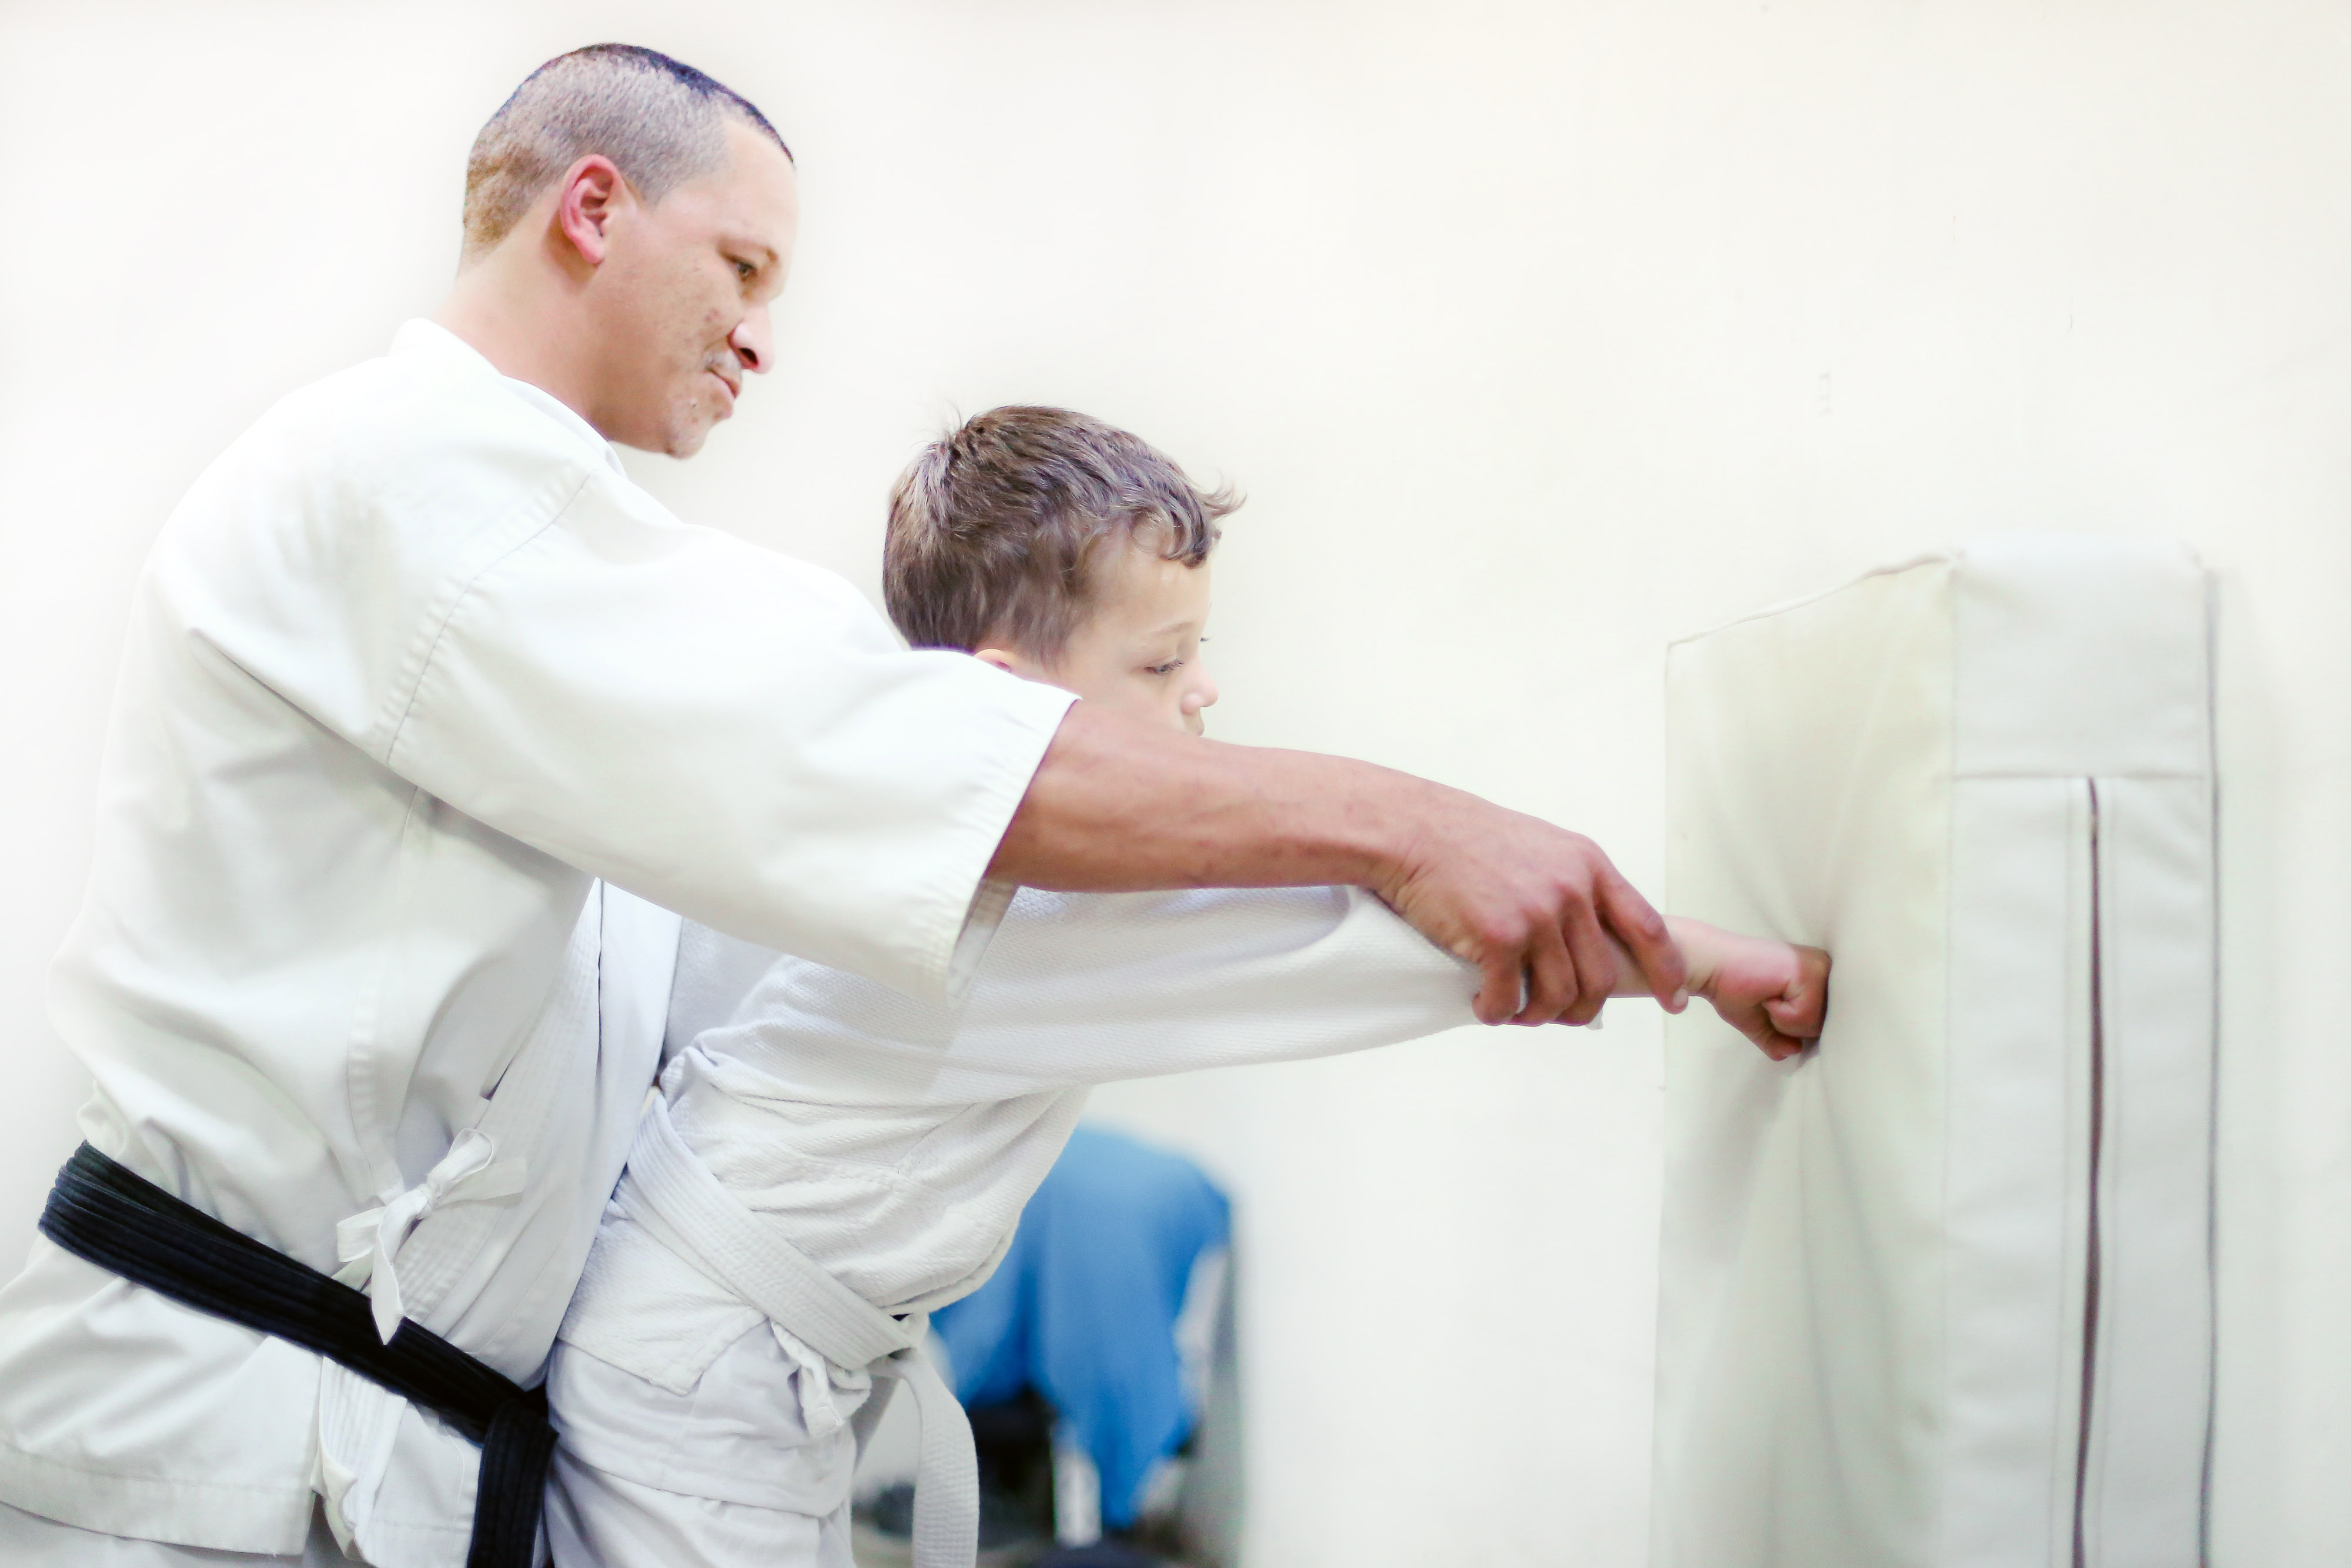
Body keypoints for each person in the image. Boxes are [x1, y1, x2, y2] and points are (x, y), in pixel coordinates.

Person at [0, 44, 1696, 1568]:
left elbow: (814, 894)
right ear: (591, 210)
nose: (762, 333)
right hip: (212, 1438)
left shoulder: (542, 576)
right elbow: (909, 751)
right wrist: (1416, 830)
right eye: (742, 266)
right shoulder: (411, 483)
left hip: (383, 1431)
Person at [539, 407, 1831, 1568]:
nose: (1203, 690)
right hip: (694, 1373)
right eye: (1160, 666)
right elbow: (1366, 941)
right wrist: (1708, 961)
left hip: (726, 1349)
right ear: (1000, 705)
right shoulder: (1021, 901)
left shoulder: (919, 846)